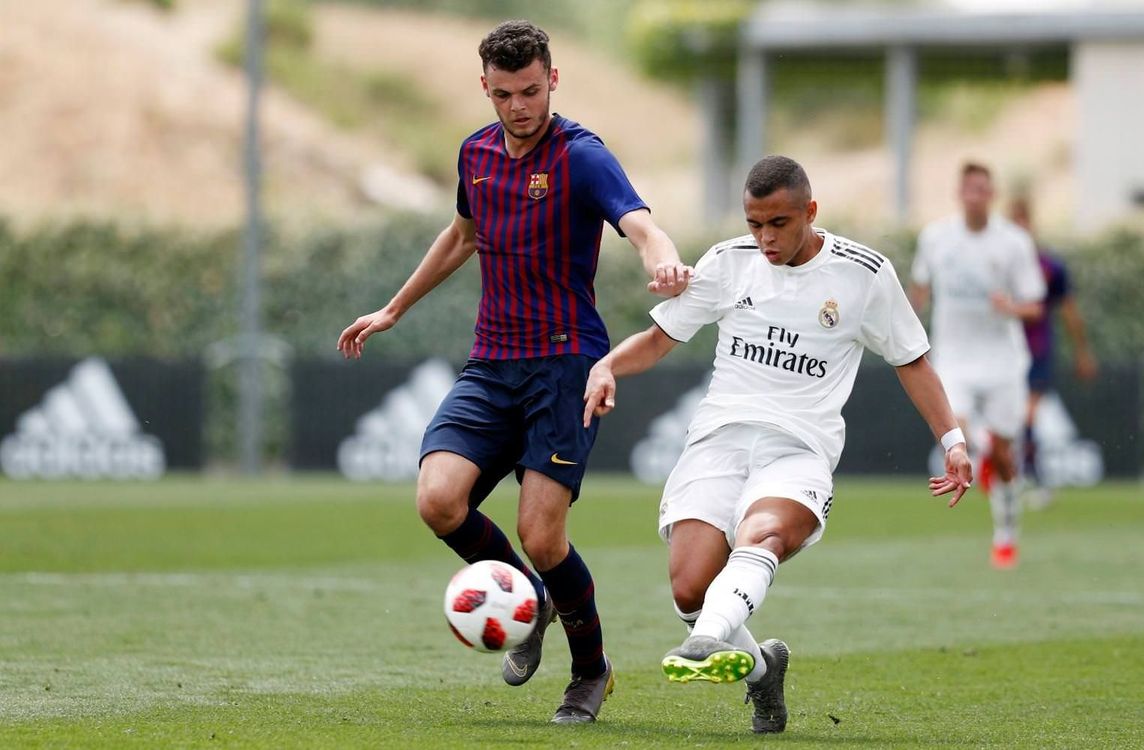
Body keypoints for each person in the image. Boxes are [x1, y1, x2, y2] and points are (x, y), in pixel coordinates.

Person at [336, 20, 691, 725]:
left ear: (553, 79)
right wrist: (394, 308)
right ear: (485, 89)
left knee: (541, 534)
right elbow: (463, 235)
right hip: (492, 363)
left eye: (532, 90)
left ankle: (591, 673)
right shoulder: (474, 153)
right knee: (438, 500)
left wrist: (665, 265)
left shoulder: (581, 156)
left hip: (565, 366)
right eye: (505, 94)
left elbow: (643, 226)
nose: (520, 105)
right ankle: (528, 607)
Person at [582, 155, 972, 734]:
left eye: (780, 224)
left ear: (810, 212)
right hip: (718, 439)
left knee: (758, 535)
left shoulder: (863, 273)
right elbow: (661, 339)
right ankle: (762, 667)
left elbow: (911, 362)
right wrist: (607, 366)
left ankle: (708, 638)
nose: (765, 238)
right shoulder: (727, 263)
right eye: (754, 224)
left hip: (799, 448)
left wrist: (954, 440)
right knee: (690, 586)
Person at [909, 163, 1046, 569]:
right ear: (959, 193)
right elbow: (919, 290)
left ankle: (1006, 528)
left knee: (1004, 455)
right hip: (954, 358)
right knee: (959, 431)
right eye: (969, 189)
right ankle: (980, 453)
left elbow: (1036, 306)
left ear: (992, 194)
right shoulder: (935, 238)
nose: (976, 196)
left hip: (1004, 361)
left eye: (983, 190)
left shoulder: (1014, 242)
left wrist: (1012, 307)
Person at [1008, 197, 1098, 509]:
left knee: (1028, 415)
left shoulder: (1050, 267)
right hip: (1002, 354)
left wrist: (1082, 351)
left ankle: (1032, 478)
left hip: (1037, 351)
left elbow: (1069, 311)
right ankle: (1016, 476)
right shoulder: (998, 266)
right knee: (1008, 419)